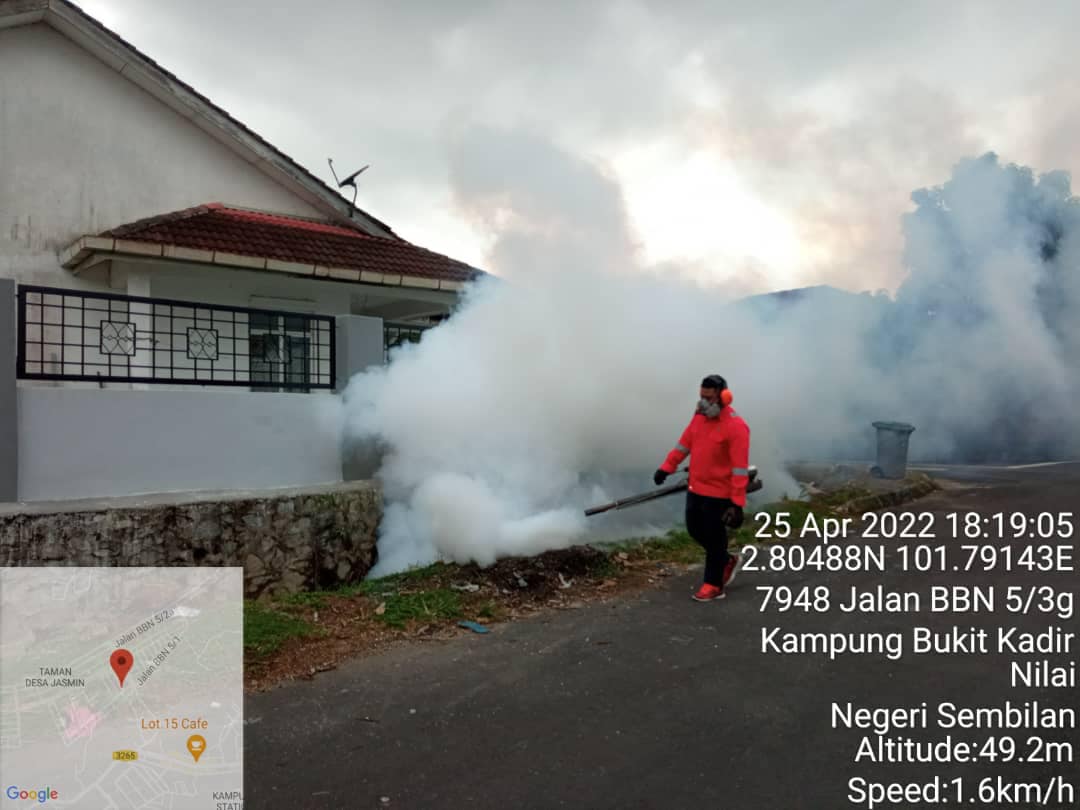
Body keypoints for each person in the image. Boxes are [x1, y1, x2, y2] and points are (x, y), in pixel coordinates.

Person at [654, 374, 751, 601]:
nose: (703, 402)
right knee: (695, 530)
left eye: (708, 398)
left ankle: (713, 585)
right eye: (702, 397)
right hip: (696, 488)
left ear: (724, 397)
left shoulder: (736, 427)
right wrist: (667, 467)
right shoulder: (700, 418)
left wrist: (737, 504)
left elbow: (740, 469)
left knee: (715, 539)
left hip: (719, 493)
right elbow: (685, 443)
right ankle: (726, 560)